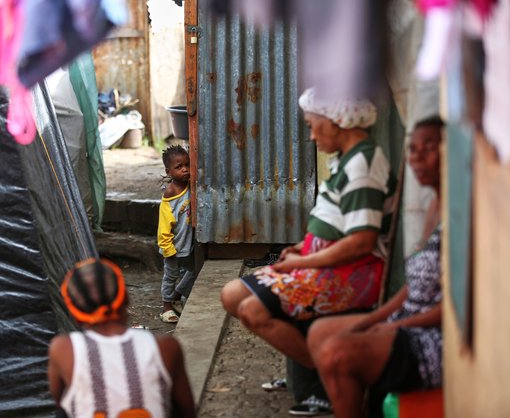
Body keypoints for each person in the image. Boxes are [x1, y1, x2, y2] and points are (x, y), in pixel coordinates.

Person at [222, 87, 396, 364]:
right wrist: (301, 249)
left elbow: (361, 242)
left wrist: (305, 262)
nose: (313, 136)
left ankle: (323, 371)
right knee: (232, 294)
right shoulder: (347, 159)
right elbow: (336, 224)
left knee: (253, 310)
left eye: (313, 126)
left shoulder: (362, 165)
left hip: (353, 274)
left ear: (335, 120)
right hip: (325, 265)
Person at [306, 116, 444, 418]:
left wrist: (393, 326)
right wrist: (377, 320)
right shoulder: (434, 206)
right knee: (319, 333)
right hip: (409, 316)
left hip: (434, 338)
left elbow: (453, 307)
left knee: (336, 352)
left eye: (430, 147)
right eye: (413, 148)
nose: (417, 156)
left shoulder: (460, 217)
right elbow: (414, 288)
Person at [48, 258, 196, 418]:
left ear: (74, 313)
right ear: (126, 298)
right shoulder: (165, 347)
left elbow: (55, 403)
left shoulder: (63, 349)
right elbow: (187, 410)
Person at [157, 145, 195, 323]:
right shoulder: (170, 192)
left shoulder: (189, 185)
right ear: (168, 171)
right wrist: (167, 248)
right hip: (173, 246)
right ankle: (166, 308)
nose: (185, 169)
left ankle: (177, 295)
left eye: (187, 165)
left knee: (195, 269)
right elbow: (164, 225)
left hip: (188, 244)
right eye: (179, 167)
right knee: (170, 276)